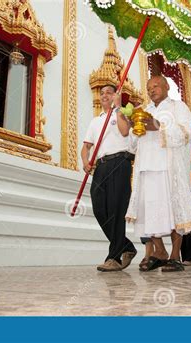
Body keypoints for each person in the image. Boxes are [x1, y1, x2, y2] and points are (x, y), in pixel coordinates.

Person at [125, 75, 191, 272]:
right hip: (146, 168)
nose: (152, 90)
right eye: (149, 87)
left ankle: (175, 255)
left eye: (156, 85)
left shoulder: (177, 107)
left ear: (167, 86)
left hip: (168, 168)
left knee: (173, 212)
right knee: (149, 212)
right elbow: (132, 146)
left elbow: (187, 132)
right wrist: (134, 129)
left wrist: (158, 126)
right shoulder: (144, 111)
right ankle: (160, 251)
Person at [81, 84, 137, 272]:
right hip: (101, 166)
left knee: (115, 209)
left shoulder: (122, 113)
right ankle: (126, 246)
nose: (104, 95)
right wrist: (85, 161)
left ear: (115, 95)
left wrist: (119, 107)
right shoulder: (96, 121)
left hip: (119, 162)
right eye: (102, 93)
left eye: (109, 93)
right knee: (99, 208)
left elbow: (123, 132)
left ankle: (113, 257)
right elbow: (86, 146)